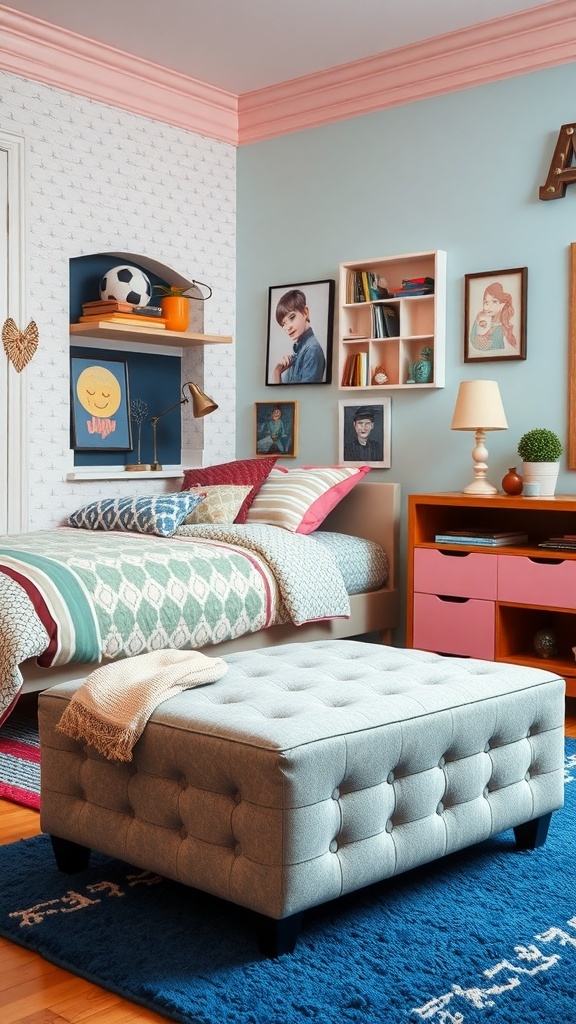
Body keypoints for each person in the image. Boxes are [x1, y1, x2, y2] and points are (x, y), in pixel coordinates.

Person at [272, 289, 326, 383]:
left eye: (292, 317)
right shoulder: (299, 350)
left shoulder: (312, 350)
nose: (287, 327)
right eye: (283, 324)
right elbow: (283, 395)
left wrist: (277, 373)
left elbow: (298, 395)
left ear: (305, 313)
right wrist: (277, 371)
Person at [469, 282, 517, 352]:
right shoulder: (485, 320)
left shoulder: (503, 328)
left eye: (494, 302)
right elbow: (474, 340)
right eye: (486, 302)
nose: (488, 307)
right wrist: (478, 318)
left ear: (503, 304)